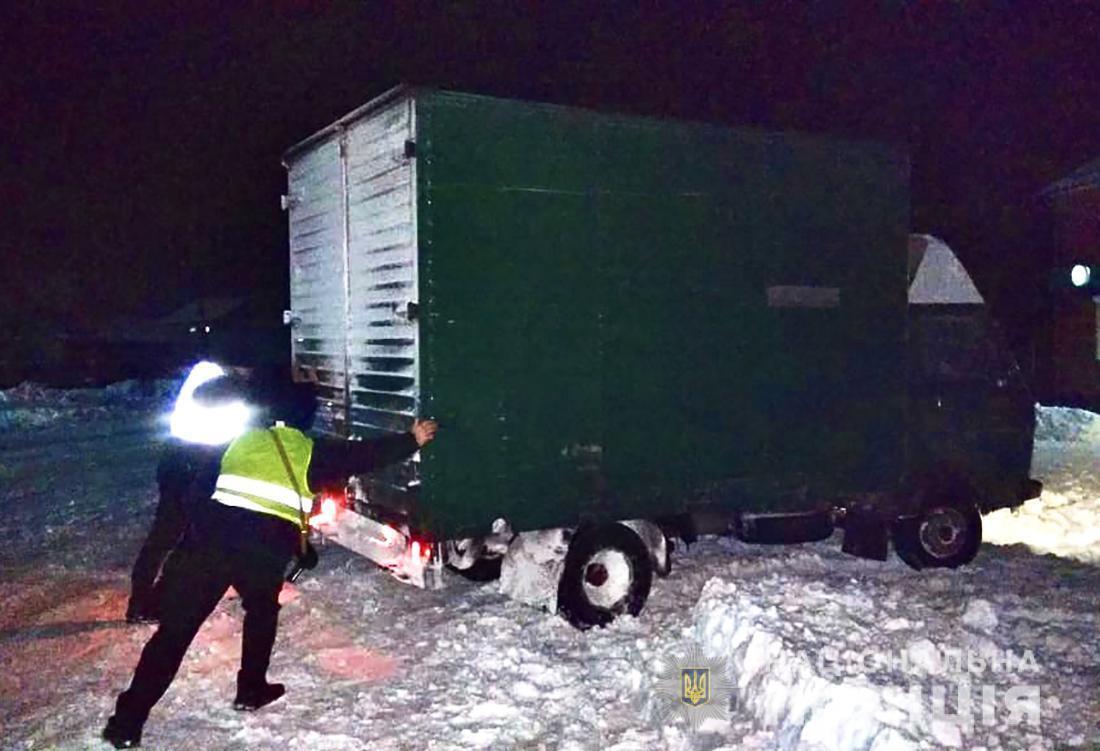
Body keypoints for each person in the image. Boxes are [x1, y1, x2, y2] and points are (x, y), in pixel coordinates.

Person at [102, 379, 438, 748]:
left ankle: (127, 723)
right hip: (260, 553)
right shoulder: (309, 451)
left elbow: (194, 490)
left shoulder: (239, 441)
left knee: (173, 635)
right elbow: (364, 455)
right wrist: (412, 439)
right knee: (261, 612)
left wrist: (202, 532)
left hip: (208, 546)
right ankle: (251, 689)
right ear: (303, 418)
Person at [126, 361, 253, 623]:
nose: (249, 372)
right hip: (191, 463)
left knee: (173, 535)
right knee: (177, 536)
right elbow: (215, 398)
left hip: (185, 460)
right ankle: (147, 603)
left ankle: (148, 601)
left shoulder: (209, 371)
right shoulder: (213, 375)